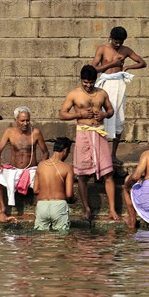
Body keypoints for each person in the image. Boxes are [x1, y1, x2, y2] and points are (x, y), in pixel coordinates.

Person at [59, 65, 119, 221]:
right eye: (85, 82)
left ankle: (112, 210)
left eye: (91, 82)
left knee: (108, 173)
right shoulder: (74, 94)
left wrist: (104, 114)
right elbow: (62, 114)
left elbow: (111, 110)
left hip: (99, 132)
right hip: (83, 134)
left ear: (95, 80)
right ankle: (86, 209)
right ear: (81, 80)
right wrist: (79, 114)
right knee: (83, 175)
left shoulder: (102, 93)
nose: (88, 85)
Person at [92, 26, 146, 166]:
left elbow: (142, 63)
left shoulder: (125, 50)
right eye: (116, 42)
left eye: (120, 42)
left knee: (118, 119)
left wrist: (127, 67)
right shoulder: (102, 49)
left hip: (119, 86)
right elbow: (94, 69)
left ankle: (113, 155)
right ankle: (99, 154)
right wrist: (113, 63)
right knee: (101, 117)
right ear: (111, 37)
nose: (118, 44)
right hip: (105, 85)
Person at [0, 106, 49, 214]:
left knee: (44, 178)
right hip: (13, 169)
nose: (25, 123)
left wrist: (41, 167)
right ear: (16, 120)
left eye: (27, 120)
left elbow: (46, 152)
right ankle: (3, 207)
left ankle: (38, 207)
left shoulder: (35, 133)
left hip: (32, 169)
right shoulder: (9, 132)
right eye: (22, 120)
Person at [33, 137, 74, 231]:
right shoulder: (67, 168)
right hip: (58, 206)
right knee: (61, 239)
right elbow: (69, 194)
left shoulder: (41, 165)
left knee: (41, 239)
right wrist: (73, 199)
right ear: (65, 150)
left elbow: (35, 190)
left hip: (42, 206)